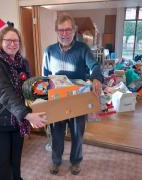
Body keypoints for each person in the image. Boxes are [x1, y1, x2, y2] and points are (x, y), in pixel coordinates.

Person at [0, 25, 47, 180]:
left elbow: (27, 87)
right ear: (0, 42)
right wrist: (28, 115)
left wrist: (43, 90)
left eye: (16, 40)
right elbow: (4, 92)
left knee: (15, 158)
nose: (12, 44)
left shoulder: (23, 62)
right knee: (3, 160)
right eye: (8, 40)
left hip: (16, 119)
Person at [42, 13, 104, 175]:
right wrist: (44, 100)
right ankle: (56, 161)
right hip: (57, 101)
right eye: (61, 30)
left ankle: (76, 161)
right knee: (56, 134)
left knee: (77, 133)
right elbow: (45, 77)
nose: (64, 33)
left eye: (68, 29)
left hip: (78, 100)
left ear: (74, 30)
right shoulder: (49, 51)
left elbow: (95, 66)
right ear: (56, 31)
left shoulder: (83, 49)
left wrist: (96, 78)